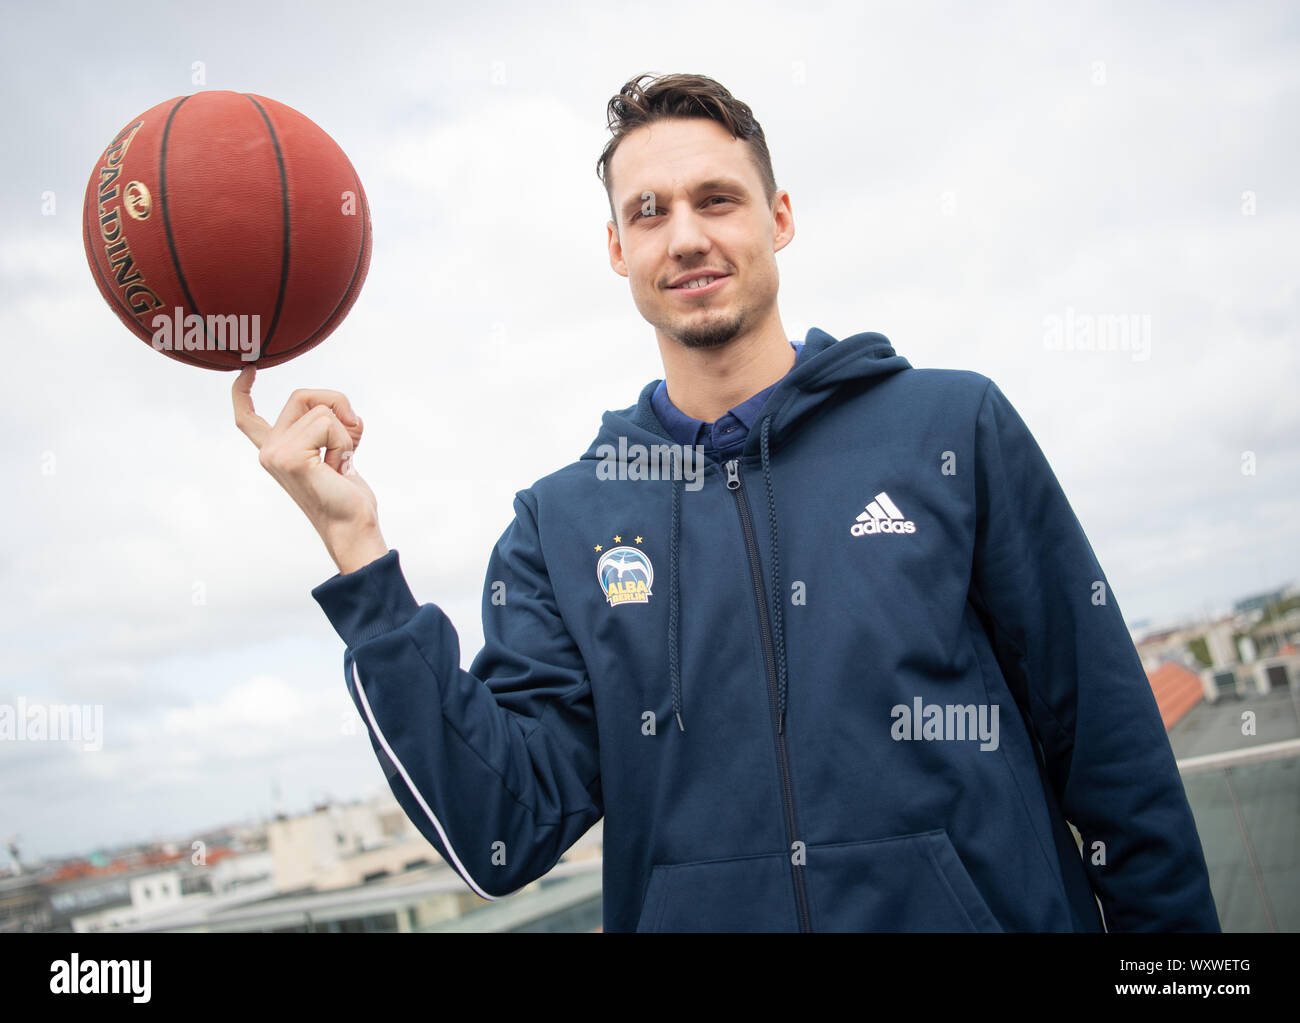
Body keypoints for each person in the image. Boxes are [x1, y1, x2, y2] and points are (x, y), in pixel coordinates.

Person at [232, 72, 1221, 932]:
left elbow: (1109, 752)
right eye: (649, 211)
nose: (688, 236)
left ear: (778, 216)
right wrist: (358, 552)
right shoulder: (560, 525)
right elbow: (500, 832)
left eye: (717, 198)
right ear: (617, 249)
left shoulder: (949, 428)